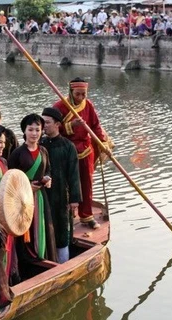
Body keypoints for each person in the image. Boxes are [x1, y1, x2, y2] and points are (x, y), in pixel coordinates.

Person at [53, 77, 107, 229]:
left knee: (87, 183)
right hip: (67, 150)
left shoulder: (88, 105)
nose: (81, 97)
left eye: (84, 94)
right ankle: (67, 214)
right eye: (78, 94)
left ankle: (86, 215)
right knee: (67, 184)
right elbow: (53, 129)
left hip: (85, 149)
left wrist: (102, 142)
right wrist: (71, 125)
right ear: (71, 92)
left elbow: (95, 125)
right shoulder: (59, 107)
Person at [8, 113, 58, 277]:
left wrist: (48, 179)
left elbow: (48, 169)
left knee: (42, 225)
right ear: (25, 131)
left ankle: (43, 255)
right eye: (31, 129)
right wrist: (27, 186)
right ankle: (27, 263)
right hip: (23, 199)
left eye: (38, 129)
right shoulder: (17, 153)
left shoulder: (43, 150)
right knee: (25, 230)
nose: (34, 133)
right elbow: (11, 179)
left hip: (41, 197)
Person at [40, 108, 82, 264]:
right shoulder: (39, 143)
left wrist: (74, 200)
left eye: (47, 122)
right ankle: (44, 260)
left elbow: (74, 175)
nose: (43, 126)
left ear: (57, 124)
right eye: (42, 122)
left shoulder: (68, 146)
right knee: (42, 226)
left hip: (61, 195)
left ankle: (63, 262)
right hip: (42, 194)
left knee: (61, 227)